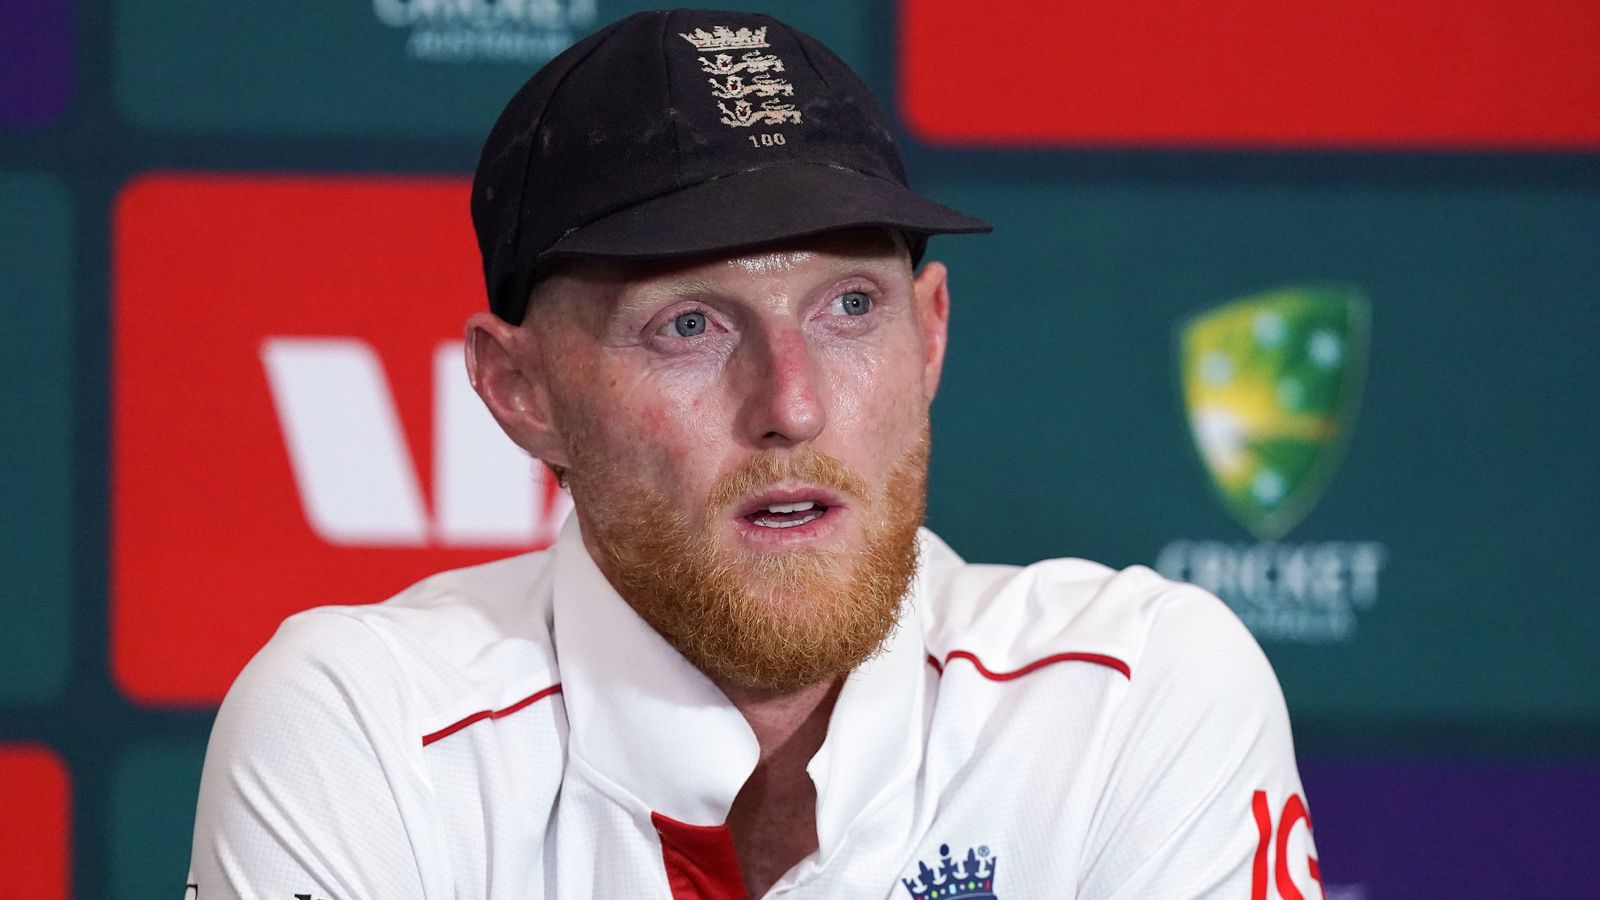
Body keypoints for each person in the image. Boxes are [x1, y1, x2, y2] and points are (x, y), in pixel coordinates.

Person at [186, 9, 1321, 899]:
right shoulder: (370, 733)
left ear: (930, 334)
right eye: (689, 325)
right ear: (519, 390)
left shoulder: (1129, 696)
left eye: (849, 308)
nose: (792, 405)